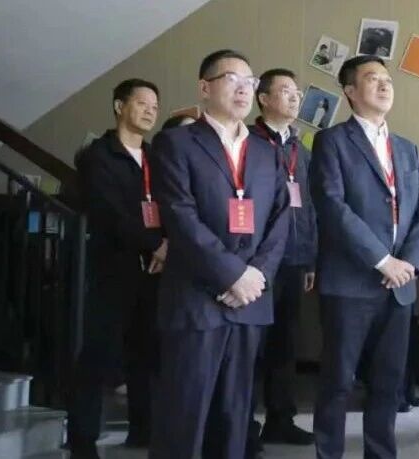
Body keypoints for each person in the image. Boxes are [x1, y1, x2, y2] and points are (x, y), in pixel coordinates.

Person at [149, 49, 290, 459]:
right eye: (232, 79)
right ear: (204, 87)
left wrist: (257, 276)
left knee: (234, 417)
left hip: (250, 301)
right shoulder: (176, 143)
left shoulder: (266, 151)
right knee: (184, 415)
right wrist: (233, 275)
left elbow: (281, 218)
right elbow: (180, 216)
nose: (244, 88)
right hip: (196, 300)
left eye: (250, 81)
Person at [309, 55, 419, 459]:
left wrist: (408, 263)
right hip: (350, 283)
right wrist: (383, 260)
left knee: (388, 382)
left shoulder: (407, 149)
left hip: (399, 285)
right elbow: (332, 206)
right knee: (337, 380)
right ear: (349, 91)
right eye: (372, 79)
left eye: (387, 79)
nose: (384, 85)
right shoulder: (331, 142)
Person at [68, 78, 165, 458]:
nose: (150, 111)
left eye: (154, 107)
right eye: (142, 103)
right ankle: (82, 440)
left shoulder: (156, 157)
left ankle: (144, 430)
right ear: (119, 106)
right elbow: (109, 212)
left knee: (147, 354)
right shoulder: (98, 156)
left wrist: (167, 244)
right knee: (98, 356)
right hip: (113, 268)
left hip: (154, 270)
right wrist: (155, 244)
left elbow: (171, 204)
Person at [245, 68, 316, 448]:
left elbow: (310, 208)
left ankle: (280, 419)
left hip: (293, 261)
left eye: (297, 92)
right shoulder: (249, 142)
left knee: (285, 345)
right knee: (249, 347)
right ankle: (241, 427)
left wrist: (310, 258)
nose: (294, 97)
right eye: (285, 91)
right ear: (263, 98)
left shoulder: (300, 149)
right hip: (256, 263)